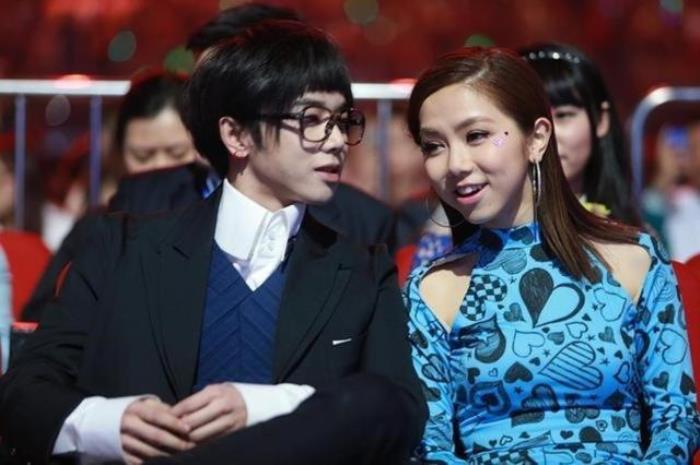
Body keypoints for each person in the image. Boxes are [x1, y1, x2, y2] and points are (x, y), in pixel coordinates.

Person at [0, 21, 424, 465]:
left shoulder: (361, 269)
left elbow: (397, 409)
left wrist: (261, 407)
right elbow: (24, 392)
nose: (337, 141)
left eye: (342, 121)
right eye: (312, 120)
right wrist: (110, 424)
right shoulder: (118, 249)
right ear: (236, 136)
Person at [404, 46, 699, 463]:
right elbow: (428, 445)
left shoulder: (635, 259)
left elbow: (676, 415)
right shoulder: (433, 289)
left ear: (537, 138)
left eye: (476, 136)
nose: (455, 164)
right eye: (434, 146)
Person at [519, 42, 642, 226]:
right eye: (529, 119)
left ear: (601, 120)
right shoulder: (482, 237)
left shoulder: (631, 236)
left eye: (563, 115)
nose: (546, 136)